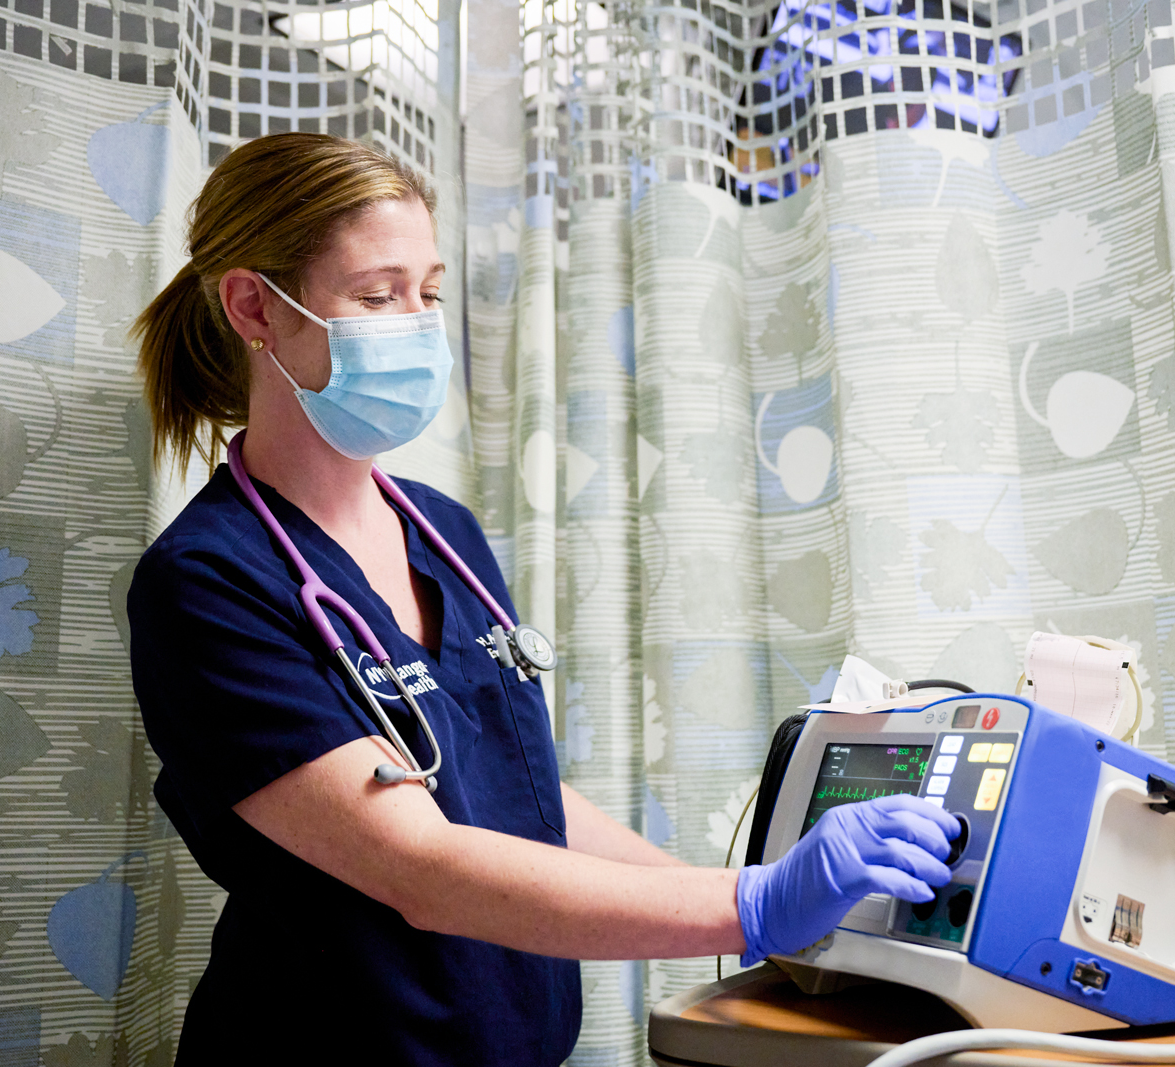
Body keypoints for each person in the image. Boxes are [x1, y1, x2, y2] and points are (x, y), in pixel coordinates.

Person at [127, 132, 959, 1064]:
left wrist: (743, 901)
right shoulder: (209, 583)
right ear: (255, 308)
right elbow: (422, 867)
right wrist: (753, 906)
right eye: (375, 295)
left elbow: (516, 794)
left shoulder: (443, 532)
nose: (416, 324)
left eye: (428, 293)